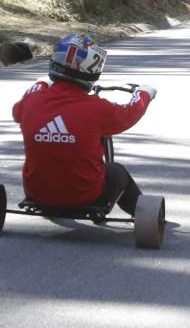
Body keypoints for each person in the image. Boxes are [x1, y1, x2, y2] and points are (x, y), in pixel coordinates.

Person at [12, 33, 158, 216]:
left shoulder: (31, 100)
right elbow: (130, 113)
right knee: (117, 171)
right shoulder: (96, 108)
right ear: (91, 69)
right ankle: (145, 215)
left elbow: (16, 113)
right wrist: (144, 93)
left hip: (37, 194)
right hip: (86, 197)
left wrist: (41, 83)